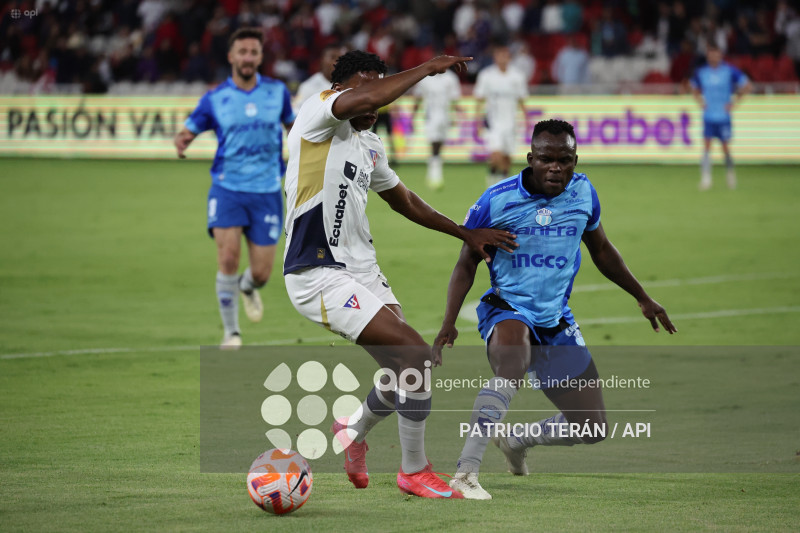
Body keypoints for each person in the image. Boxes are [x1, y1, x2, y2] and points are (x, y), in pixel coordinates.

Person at [282, 50, 517, 499]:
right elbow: (364, 96)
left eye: (378, 92)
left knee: (402, 370)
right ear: (345, 88)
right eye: (368, 91)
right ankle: (414, 470)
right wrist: (426, 68)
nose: (374, 105)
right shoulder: (317, 113)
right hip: (316, 272)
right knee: (416, 357)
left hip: (362, 270)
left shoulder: (370, 146)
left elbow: (406, 201)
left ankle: (351, 431)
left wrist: (464, 232)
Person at [433, 119, 676, 499]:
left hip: (555, 319)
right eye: (547, 159)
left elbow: (602, 250)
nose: (556, 168)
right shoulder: (497, 199)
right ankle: (465, 473)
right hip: (508, 307)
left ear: (575, 160)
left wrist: (642, 297)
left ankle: (516, 441)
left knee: (592, 428)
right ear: (531, 158)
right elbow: (467, 261)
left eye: (565, 160)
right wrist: (449, 322)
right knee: (513, 364)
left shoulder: (583, 193)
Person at [174, 28, 295, 348]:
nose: (247, 58)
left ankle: (247, 287)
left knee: (262, 273)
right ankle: (231, 333)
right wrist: (183, 140)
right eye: (242, 52)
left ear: (260, 57)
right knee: (227, 257)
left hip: (268, 191)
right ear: (231, 56)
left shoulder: (277, 92)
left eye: (253, 52)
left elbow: (293, 128)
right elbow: (190, 128)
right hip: (228, 189)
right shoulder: (216, 98)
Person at [690, 43, 750, 190]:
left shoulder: (729, 71)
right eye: (710, 53)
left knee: (725, 148)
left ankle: (730, 175)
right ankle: (706, 178)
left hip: (723, 117)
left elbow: (747, 85)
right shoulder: (702, 72)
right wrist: (700, 102)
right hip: (709, 116)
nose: (713, 56)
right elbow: (692, 87)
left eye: (716, 53)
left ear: (720, 54)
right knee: (706, 148)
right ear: (707, 55)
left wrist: (734, 103)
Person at [474, 43, 529, 186]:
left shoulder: (517, 76)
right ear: (495, 57)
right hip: (493, 123)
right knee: (495, 154)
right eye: (499, 55)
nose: (502, 58)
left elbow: (521, 100)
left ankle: (503, 183)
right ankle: (492, 180)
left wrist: (526, 119)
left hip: (510, 123)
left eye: (505, 55)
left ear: (509, 57)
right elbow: (479, 100)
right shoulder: (486, 75)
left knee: (506, 157)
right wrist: (477, 121)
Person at [411, 64, 462, 189]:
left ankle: (434, 170)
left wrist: (457, 114)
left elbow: (454, 99)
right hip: (430, 115)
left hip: (445, 116)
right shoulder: (425, 78)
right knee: (434, 143)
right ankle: (435, 175)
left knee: (440, 144)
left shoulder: (451, 78)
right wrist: (413, 115)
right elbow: (418, 97)